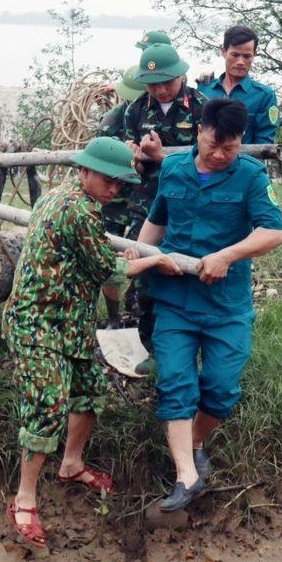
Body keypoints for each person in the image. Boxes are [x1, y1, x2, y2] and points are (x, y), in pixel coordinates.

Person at [3, 137, 181, 553]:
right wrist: (153, 259)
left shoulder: (62, 196)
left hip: (69, 321)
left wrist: (127, 259)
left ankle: (71, 464)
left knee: (89, 392)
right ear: (84, 170)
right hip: (38, 323)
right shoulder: (77, 210)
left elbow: (96, 261)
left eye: (121, 183)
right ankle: (24, 500)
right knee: (47, 404)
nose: (114, 189)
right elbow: (110, 274)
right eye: (108, 180)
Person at [137, 98, 282, 512]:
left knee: (221, 389)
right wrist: (141, 256)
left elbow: (273, 232)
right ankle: (185, 475)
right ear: (198, 132)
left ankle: (197, 439)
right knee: (175, 384)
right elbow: (158, 219)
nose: (220, 155)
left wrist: (226, 256)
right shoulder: (173, 167)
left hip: (226, 305)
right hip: (174, 300)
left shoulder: (252, 176)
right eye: (214, 145)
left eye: (231, 147)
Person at [122, 43, 206, 368]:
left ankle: (194, 345)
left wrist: (164, 156)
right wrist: (136, 158)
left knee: (191, 269)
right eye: (152, 84)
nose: (160, 90)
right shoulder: (136, 110)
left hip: (189, 203)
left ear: (182, 75)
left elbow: (210, 158)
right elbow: (133, 168)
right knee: (144, 271)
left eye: (166, 82)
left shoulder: (201, 107)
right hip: (147, 203)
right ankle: (149, 346)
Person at [95, 64, 145, 329]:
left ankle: (135, 300)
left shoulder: (151, 114)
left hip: (144, 196)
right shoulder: (110, 124)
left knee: (140, 250)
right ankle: (114, 317)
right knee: (108, 254)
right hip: (113, 198)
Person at [198, 25, 280, 145]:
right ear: (224, 52)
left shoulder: (264, 96)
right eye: (235, 55)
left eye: (247, 56)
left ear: (254, 55)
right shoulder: (204, 88)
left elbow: (264, 141)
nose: (241, 62)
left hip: (243, 161)